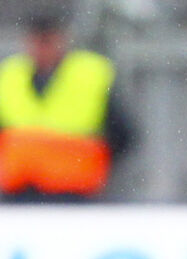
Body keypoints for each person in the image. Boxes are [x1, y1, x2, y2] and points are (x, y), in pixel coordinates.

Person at [0, 12, 135, 203]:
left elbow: (123, 133)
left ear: (63, 40)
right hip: (19, 192)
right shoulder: (10, 76)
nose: (42, 48)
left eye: (48, 41)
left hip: (75, 193)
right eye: (38, 41)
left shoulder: (90, 75)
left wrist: (96, 165)